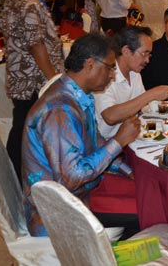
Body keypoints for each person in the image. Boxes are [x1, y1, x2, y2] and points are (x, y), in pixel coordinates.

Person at [22, 33, 141, 238]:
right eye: (110, 67)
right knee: (149, 210)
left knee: (146, 193)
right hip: (62, 209)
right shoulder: (59, 110)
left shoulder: (78, 95)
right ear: (89, 64)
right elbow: (72, 177)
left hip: (84, 191)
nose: (112, 75)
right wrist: (119, 141)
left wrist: (130, 172)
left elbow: (94, 144)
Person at [0, 0, 65, 180]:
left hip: (23, 78)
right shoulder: (30, 4)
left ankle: (17, 173)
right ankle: (15, 175)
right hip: (33, 81)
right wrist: (55, 81)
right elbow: (37, 46)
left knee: (24, 127)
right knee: (25, 129)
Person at [94, 26, 168, 139]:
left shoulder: (134, 73)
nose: (147, 60)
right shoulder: (105, 75)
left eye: (149, 54)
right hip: (110, 144)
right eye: (144, 53)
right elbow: (110, 117)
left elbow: (142, 110)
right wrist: (150, 95)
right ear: (126, 51)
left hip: (134, 136)